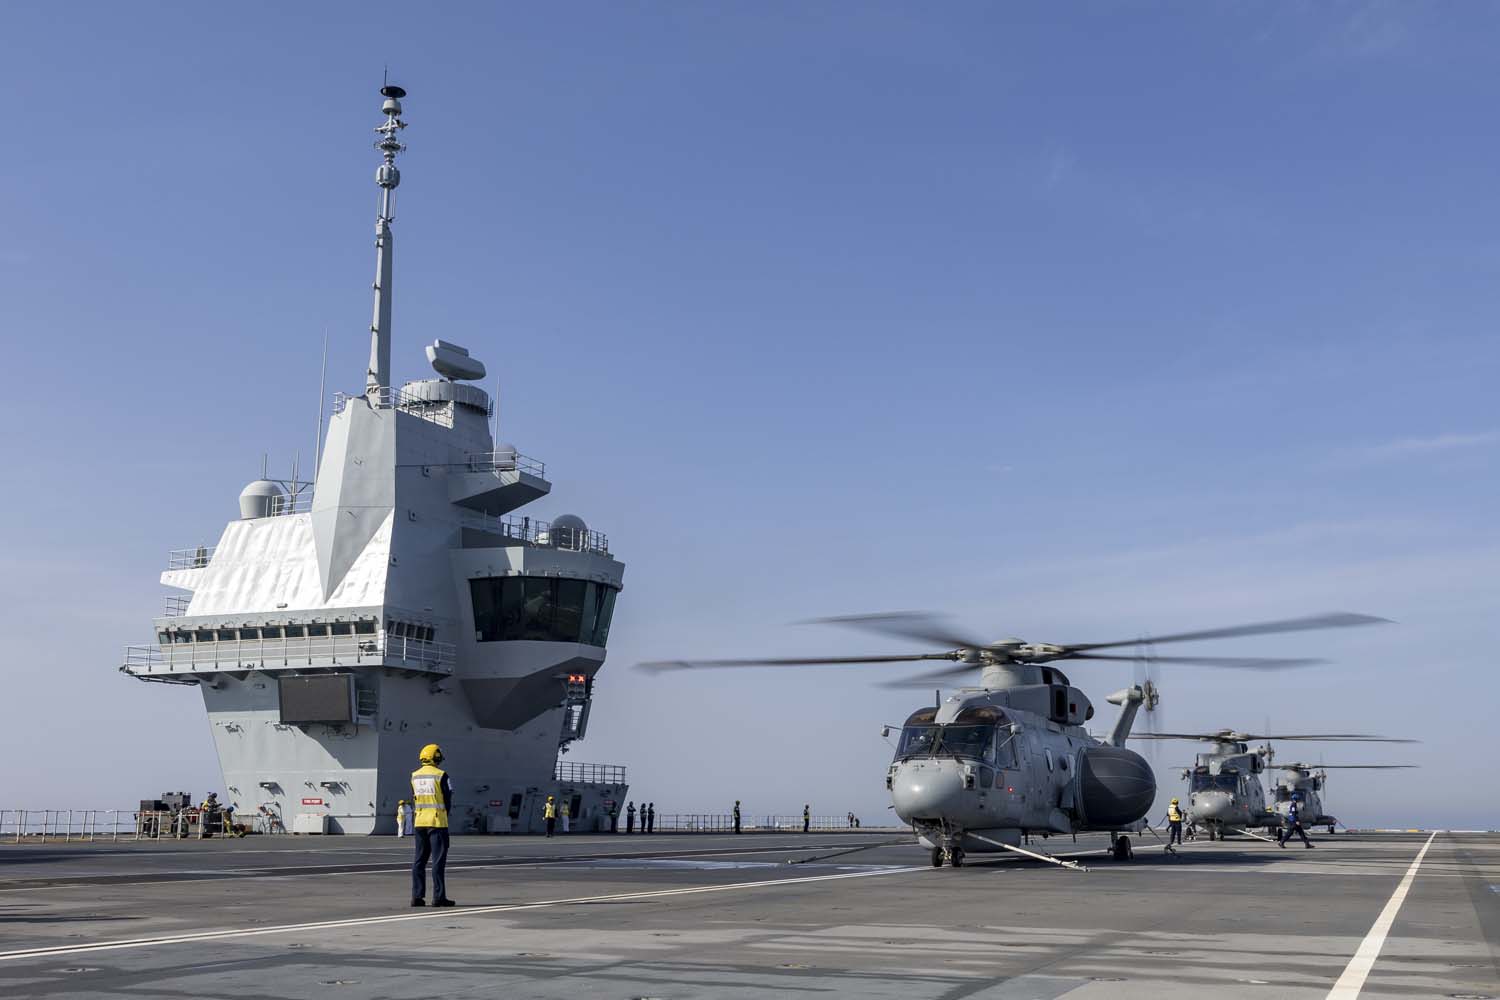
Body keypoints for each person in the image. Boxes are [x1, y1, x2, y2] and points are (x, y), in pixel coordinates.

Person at [410, 743, 455, 907]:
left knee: (419, 861)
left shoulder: (414, 775)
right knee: (438, 861)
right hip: (437, 823)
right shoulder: (441, 775)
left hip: (419, 822)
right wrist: (444, 815)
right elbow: (447, 799)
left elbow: (414, 796)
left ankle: (417, 897)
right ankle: (439, 897)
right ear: (436, 757)